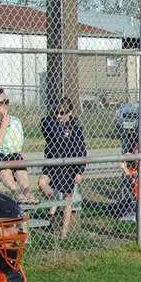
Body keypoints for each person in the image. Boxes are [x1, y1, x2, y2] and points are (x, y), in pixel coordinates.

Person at [38, 97, 87, 236]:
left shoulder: (75, 128)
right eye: (56, 113)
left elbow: (81, 150)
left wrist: (79, 171)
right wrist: (57, 121)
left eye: (62, 113)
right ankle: (53, 200)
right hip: (53, 162)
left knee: (67, 198)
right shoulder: (50, 122)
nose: (59, 116)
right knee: (42, 182)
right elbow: (48, 128)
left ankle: (64, 231)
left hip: (68, 166)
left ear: (70, 112)